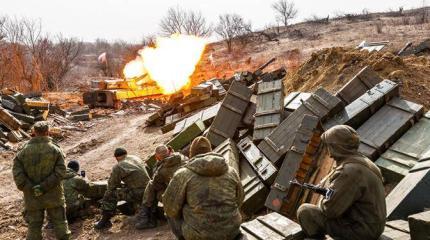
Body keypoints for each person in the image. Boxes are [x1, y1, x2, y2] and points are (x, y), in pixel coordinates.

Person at [296, 125, 386, 240]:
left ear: (336, 147)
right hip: (373, 226)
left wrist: (326, 196)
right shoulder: (365, 162)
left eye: (329, 147)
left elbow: (330, 211)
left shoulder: (348, 172)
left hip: (362, 232)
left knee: (305, 211)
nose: (329, 154)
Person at [162, 136, 244, 240]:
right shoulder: (231, 171)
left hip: (198, 236)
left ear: (192, 154)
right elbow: (240, 199)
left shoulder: (183, 174)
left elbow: (170, 209)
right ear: (210, 151)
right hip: (231, 232)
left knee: (170, 207)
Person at [12, 121, 71, 240]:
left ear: (34, 133)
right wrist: (43, 186)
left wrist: (30, 187)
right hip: (54, 195)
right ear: (47, 132)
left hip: (32, 197)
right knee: (60, 224)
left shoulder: (22, 152)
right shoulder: (55, 149)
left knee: (34, 227)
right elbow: (61, 172)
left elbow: (18, 174)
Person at [94, 147, 150, 230]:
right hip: (149, 189)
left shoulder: (118, 166)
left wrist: (105, 196)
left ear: (116, 157)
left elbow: (111, 186)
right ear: (126, 153)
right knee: (127, 189)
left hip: (138, 193)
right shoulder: (136, 158)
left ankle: (104, 221)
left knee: (110, 194)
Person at [135, 145, 188, 230]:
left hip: (177, 196)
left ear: (157, 157)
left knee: (151, 186)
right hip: (190, 190)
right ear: (170, 151)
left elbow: (157, 185)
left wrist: (158, 166)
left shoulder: (161, 170)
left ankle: (147, 218)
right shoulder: (183, 158)